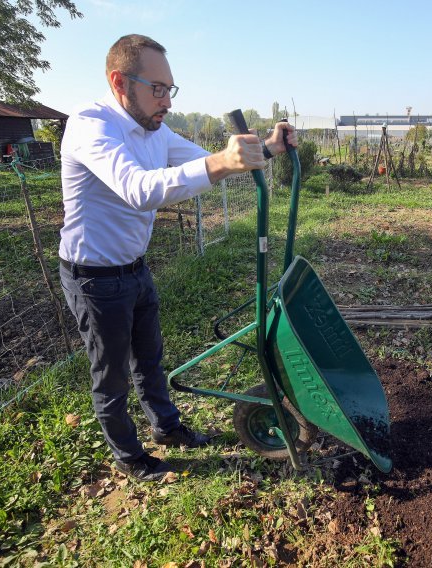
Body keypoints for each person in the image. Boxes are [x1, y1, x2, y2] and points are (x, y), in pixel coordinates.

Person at [58, 34, 296, 482]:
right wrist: (224, 162)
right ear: (119, 82)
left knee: (149, 359)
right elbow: (139, 191)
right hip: (93, 277)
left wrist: (267, 146)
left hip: (134, 268)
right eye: (158, 89)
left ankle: (166, 428)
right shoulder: (92, 126)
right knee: (111, 377)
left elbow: (211, 159)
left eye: (170, 89)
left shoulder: (155, 129)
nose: (166, 100)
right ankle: (130, 457)